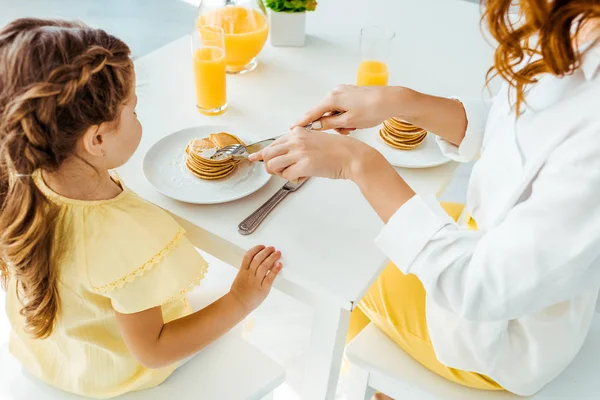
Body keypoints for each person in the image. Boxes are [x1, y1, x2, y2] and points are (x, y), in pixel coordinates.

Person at [252, 0, 600, 397]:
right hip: (485, 240)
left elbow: (480, 288)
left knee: (343, 262)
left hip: (502, 335)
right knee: (359, 228)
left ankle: (371, 385)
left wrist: (359, 163)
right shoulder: (568, 26)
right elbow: (524, 138)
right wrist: (402, 102)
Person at [0, 19, 282, 399]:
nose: (138, 117)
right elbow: (154, 350)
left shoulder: (21, 179)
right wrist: (241, 299)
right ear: (96, 139)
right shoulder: (131, 236)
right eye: (132, 111)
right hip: (111, 376)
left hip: (51, 356)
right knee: (242, 305)